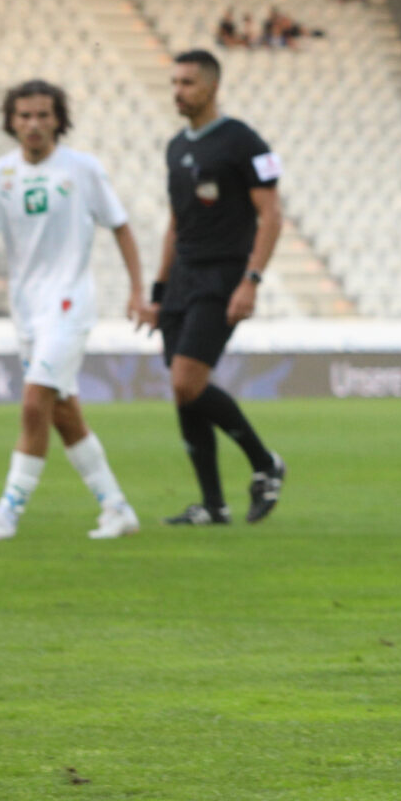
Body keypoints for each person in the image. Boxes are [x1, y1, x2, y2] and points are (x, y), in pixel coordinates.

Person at [0, 81, 145, 541]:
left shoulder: (82, 170)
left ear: (58, 120)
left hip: (70, 304)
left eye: (43, 115)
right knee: (64, 414)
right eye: (24, 115)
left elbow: (121, 228)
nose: (34, 124)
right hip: (26, 310)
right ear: (11, 121)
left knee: (33, 403)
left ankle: (7, 512)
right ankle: (117, 507)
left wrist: (137, 291)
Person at [134, 51, 286, 526]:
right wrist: (158, 293)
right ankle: (213, 505)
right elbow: (175, 224)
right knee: (184, 392)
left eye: (188, 83)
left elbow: (272, 215)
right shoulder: (175, 147)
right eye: (175, 82)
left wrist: (251, 281)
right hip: (182, 278)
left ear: (212, 87)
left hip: (222, 275)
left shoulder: (243, 141)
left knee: (186, 380)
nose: (178, 91)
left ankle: (265, 464)